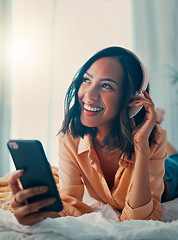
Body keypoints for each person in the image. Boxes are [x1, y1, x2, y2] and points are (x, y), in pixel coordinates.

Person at [9, 46, 170, 225]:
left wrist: (141, 146)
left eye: (106, 86)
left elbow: (141, 220)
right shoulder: (70, 137)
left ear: (133, 101)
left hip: (169, 178)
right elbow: (70, 205)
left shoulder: (153, 137)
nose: (89, 95)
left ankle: (158, 119)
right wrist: (41, 212)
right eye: (87, 80)